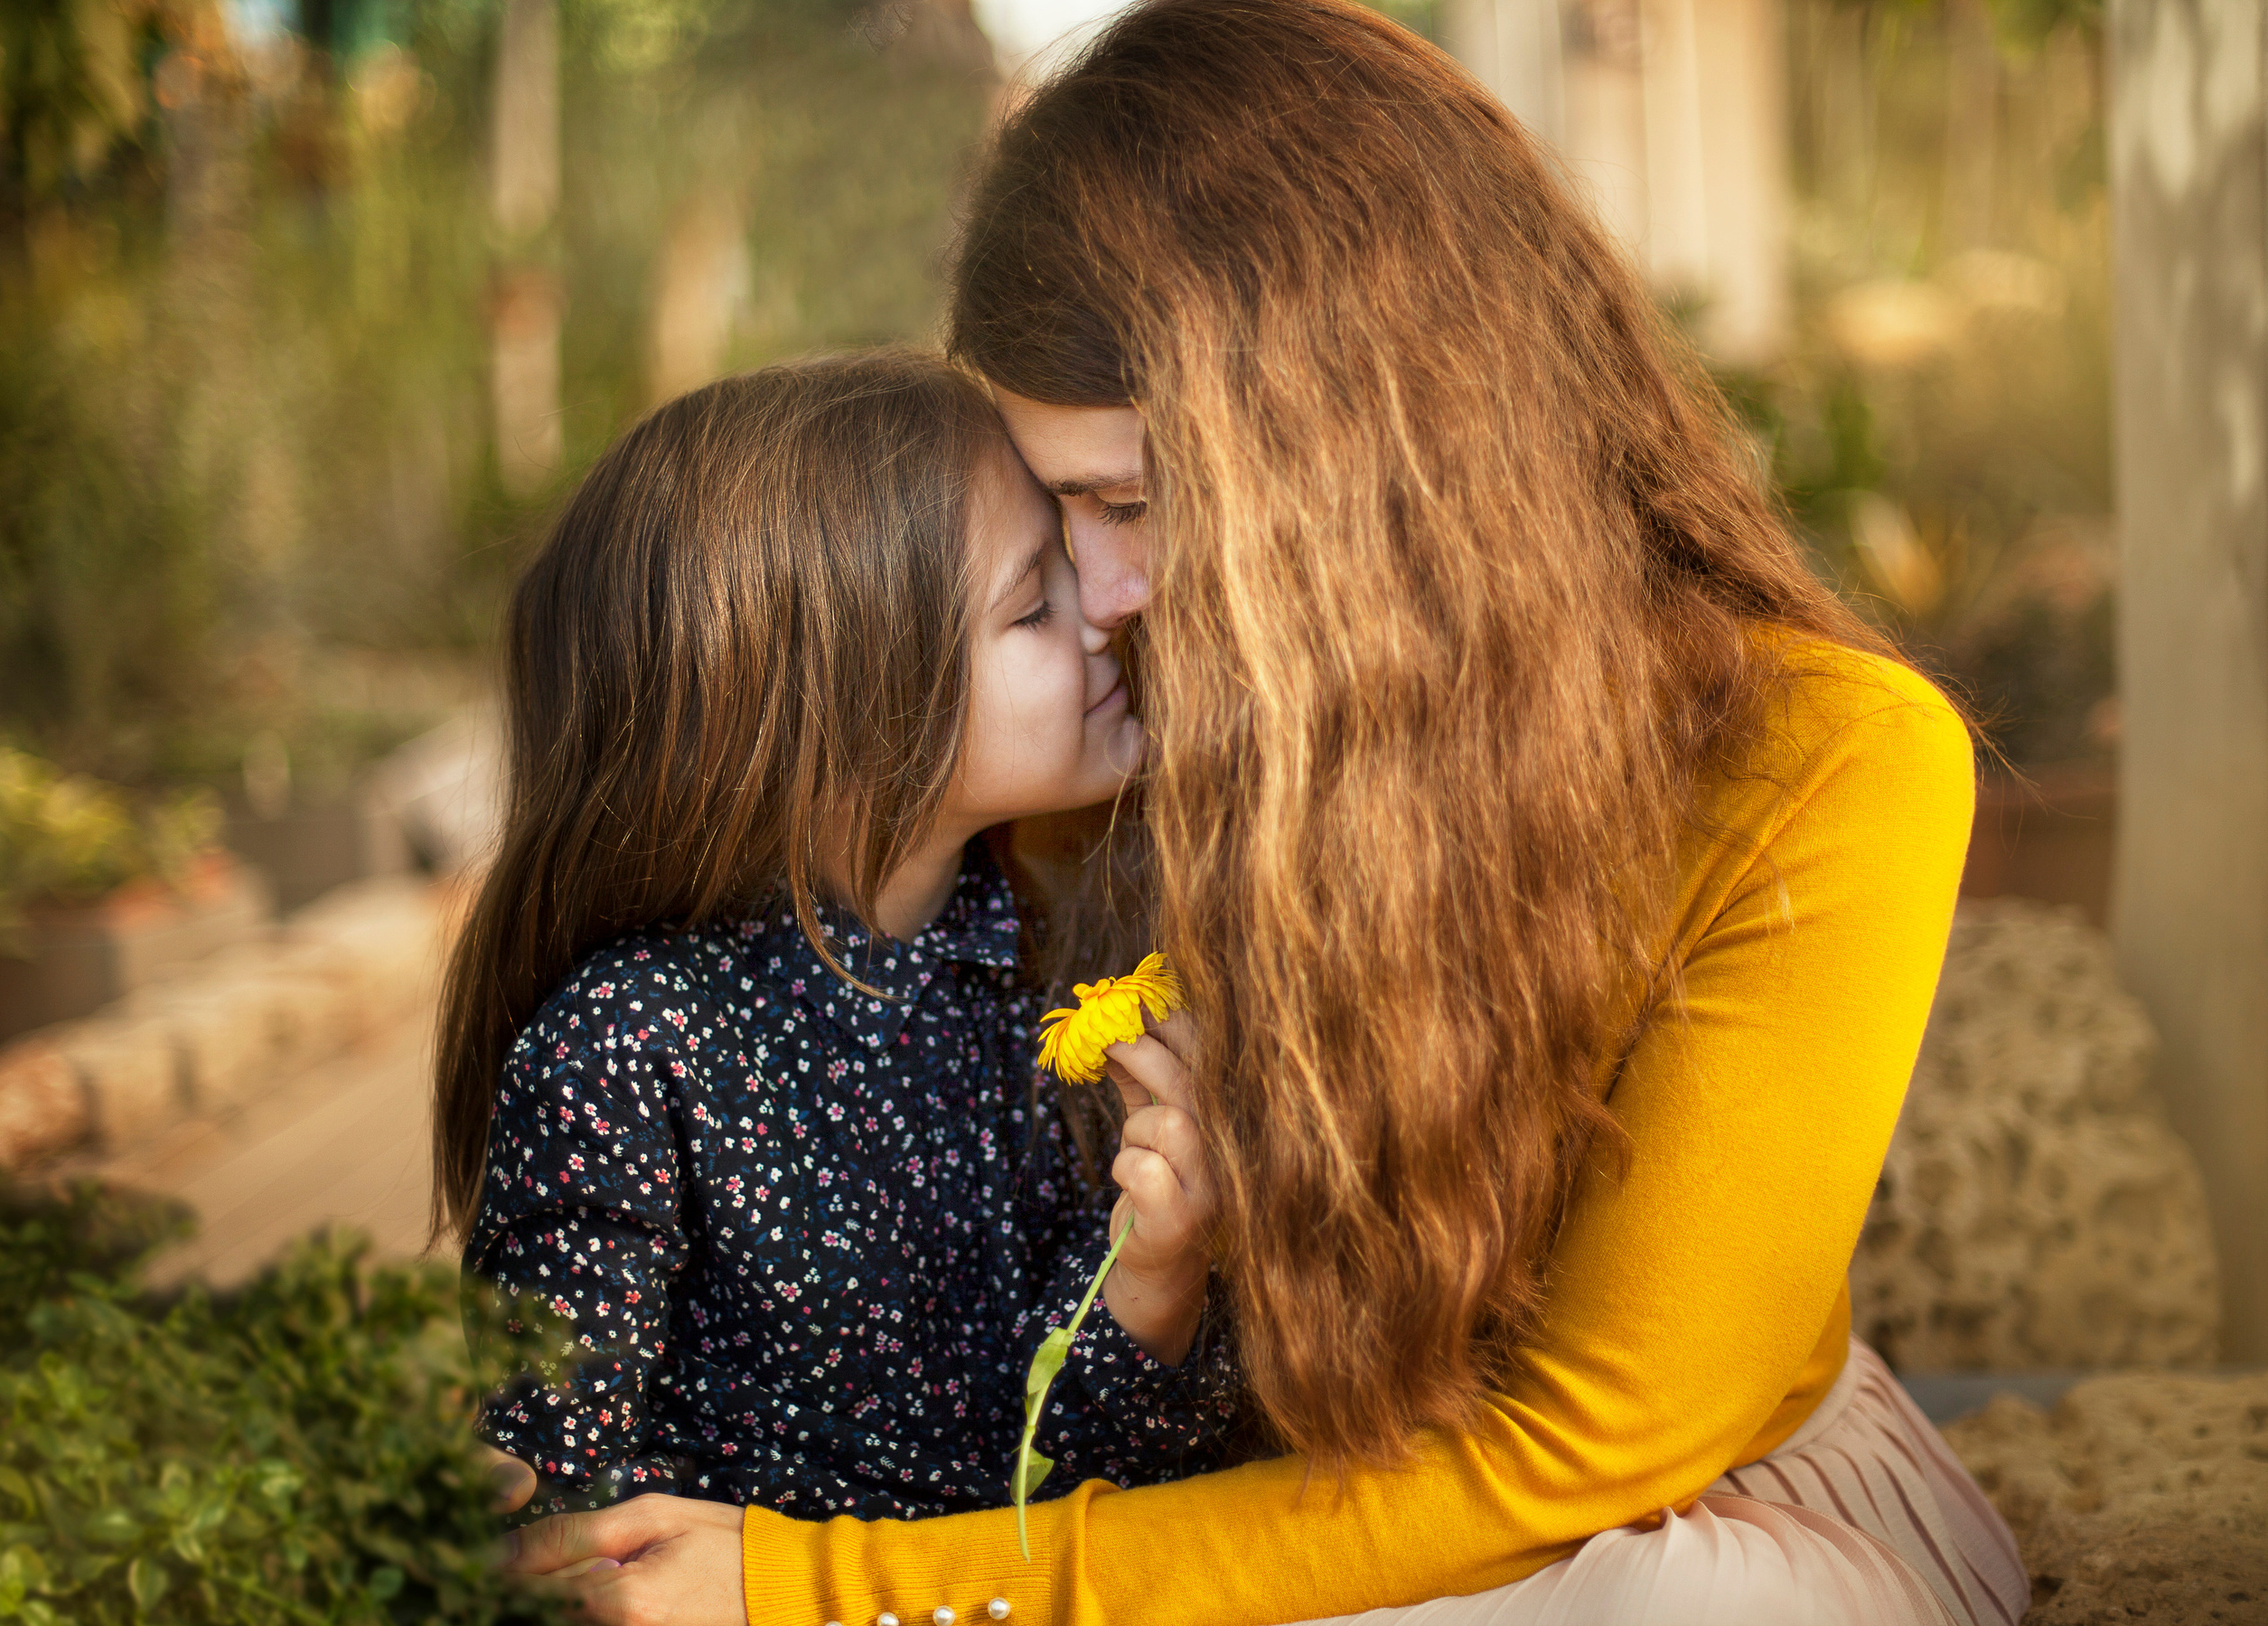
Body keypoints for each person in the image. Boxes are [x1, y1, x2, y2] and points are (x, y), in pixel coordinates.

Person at [494, 4, 2029, 1622]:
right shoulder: (1087, 738)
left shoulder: (1835, 762)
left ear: (1363, 460)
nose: (1102, 594)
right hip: (1185, 1527)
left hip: (1651, 1530)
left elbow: (1590, 1453)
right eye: (1060, 513)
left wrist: (841, 1588)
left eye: (1136, 503)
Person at [431, 352, 1232, 1523]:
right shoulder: (630, 1052)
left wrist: (1153, 1286)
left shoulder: (1032, 986)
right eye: (1030, 606)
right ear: (840, 726)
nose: (1107, 617)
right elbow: (559, 1525)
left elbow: (1062, 1484)